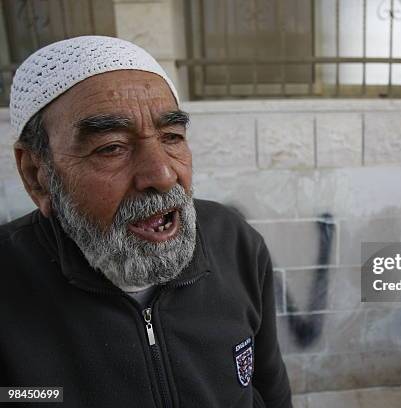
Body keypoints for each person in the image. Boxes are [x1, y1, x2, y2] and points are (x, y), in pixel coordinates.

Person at [0, 35, 292, 408]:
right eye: (111, 147)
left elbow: (270, 388)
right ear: (36, 174)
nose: (163, 175)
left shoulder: (233, 241)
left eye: (172, 136)